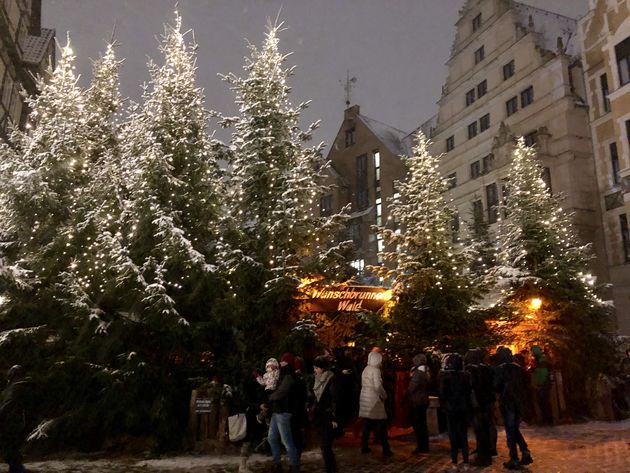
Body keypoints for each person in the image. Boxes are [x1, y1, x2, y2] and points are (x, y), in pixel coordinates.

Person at [494, 347, 533, 470]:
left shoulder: (500, 369)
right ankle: (525, 450)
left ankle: (514, 457)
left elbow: (496, 386)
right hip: (519, 403)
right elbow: (527, 384)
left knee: (510, 430)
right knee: (514, 428)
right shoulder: (519, 368)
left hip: (508, 403)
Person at [268, 353, 301, 473]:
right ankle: (277, 462)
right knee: (271, 438)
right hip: (277, 411)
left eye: (283, 362)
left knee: (286, 440)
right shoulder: (282, 375)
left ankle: (294, 465)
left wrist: (270, 397)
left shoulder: (288, 376)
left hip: (284, 411)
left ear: (287, 363)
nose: (280, 363)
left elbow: (281, 392)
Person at [464, 348, 495, 467]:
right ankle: (486, 456)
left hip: (477, 403)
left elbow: (470, 387)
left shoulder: (470, 370)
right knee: (485, 429)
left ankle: (482, 457)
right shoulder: (487, 369)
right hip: (487, 402)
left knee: (480, 430)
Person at [439, 353, 472, 467]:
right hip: (463, 408)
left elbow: (443, 393)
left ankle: (454, 461)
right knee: (463, 435)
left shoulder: (447, 377)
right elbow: (468, 392)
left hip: (451, 409)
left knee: (453, 435)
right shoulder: (466, 376)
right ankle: (466, 460)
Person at [358, 350, 393, 457]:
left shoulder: (366, 369)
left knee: (367, 425)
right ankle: (386, 449)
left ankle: (364, 447)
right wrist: (384, 395)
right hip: (374, 400)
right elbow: (378, 386)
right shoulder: (376, 370)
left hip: (365, 398)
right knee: (381, 425)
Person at [311, 356, 341, 473]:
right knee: (325, 446)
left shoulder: (331, 379)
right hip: (322, 416)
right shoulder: (318, 379)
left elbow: (335, 400)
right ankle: (331, 469)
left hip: (329, 416)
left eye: (316, 367)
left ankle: (331, 470)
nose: (315, 370)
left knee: (326, 446)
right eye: (314, 367)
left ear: (322, 368)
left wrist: (335, 418)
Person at [0, 365, 31, 473]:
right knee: (11, 449)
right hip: (14, 422)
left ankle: (17, 470)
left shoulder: (17, 388)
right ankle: (16, 469)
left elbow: (9, 404)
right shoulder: (17, 387)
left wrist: (1, 414)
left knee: (10, 449)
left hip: (12, 423)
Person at [408, 353, 430, 454]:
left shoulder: (418, 373)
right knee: (423, 424)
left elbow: (412, 387)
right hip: (424, 399)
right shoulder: (426, 371)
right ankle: (425, 445)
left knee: (418, 424)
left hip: (417, 400)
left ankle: (421, 446)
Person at [530, 346, 553, 425]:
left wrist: (540, 383)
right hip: (542, 383)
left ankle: (548, 420)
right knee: (542, 402)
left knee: (544, 402)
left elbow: (542, 373)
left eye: (532, 352)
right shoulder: (539, 359)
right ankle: (547, 419)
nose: (532, 354)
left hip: (543, 383)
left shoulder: (541, 360)